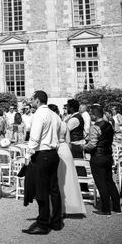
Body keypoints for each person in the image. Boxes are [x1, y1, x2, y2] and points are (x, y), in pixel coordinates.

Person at [22, 90, 62, 235]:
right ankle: (56, 221)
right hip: (53, 153)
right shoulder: (54, 114)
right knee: (54, 189)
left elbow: (34, 138)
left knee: (42, 190)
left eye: (32, 99)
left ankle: (43, 224)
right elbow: (60, 131)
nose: (31, 102)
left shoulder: (39, 114)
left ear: (38, 101)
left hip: (42, 154)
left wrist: (28, 155)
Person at [85, 105, 121, 216]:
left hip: (97, 156)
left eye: (91, 114)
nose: (90, 116)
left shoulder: (94, 127)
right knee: (110, 181)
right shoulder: (109, 125)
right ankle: (116, 207)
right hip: (108, 156)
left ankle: (106, 209)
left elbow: (92, 144)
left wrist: (83, 147)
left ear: (95, 115)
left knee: (101, 183)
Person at [50, 105, 86, 216]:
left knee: (58, 179)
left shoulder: (52, 124)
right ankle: (71, 206)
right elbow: (68, 141)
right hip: (66, 149)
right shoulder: (64, 123)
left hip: (57, 149)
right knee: (69, 178)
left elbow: (53, 141)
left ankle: (58, 208)